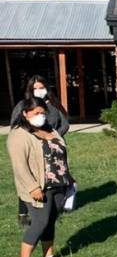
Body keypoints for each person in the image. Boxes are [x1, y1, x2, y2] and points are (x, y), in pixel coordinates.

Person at [7, 97, 74, 257]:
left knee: (50, 220)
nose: (40, 116)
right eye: (36, 113)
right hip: (38, 187)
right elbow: (19, 165)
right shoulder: (19, 134)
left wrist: (69, 177)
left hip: (59, 183)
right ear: (25, 113)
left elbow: (61, 155)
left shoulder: (50, 129)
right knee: (40, 221)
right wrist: (32, 187)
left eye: (43, 113)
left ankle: (48, 256)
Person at [10, 75, 69, 229]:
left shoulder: (54, 105)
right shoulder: (23, 105)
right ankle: (24, 212)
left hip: (52, 150)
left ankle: (52, 210)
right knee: (29, 179)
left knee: (51, 181)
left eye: (41, 88)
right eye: (35, 88)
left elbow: (65, 124)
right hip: (32, 149)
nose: (38, 91)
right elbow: (15, 126)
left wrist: (54, 137)